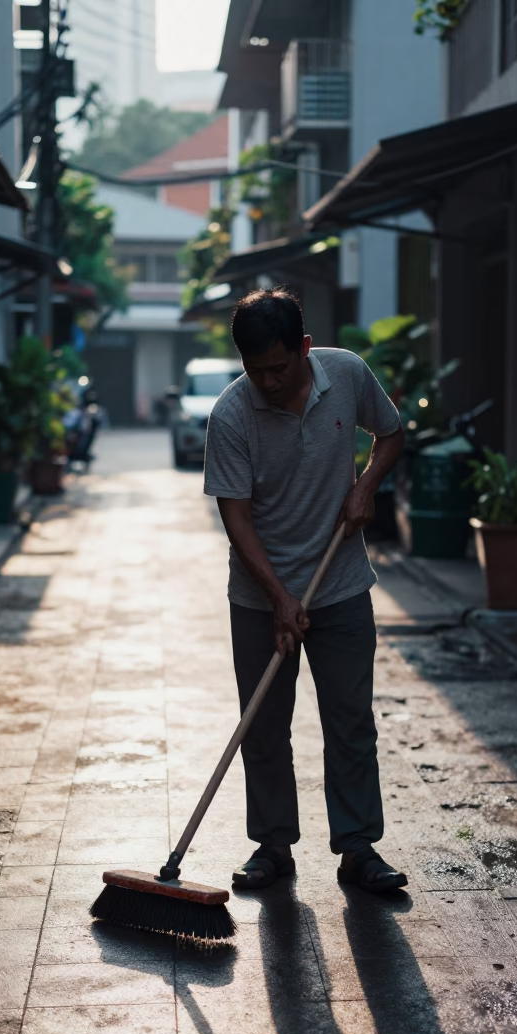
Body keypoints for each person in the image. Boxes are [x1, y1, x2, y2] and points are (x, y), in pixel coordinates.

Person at [203, 288, 407, 894]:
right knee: (263, 725)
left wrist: (366, 483)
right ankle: (271, 846)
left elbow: (391, 434)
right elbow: (236, 518)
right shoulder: (231, 416)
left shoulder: (345, 375)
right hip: (259, 594)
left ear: (305, 349)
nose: (267, 380)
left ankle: (358, 847)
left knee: (349, 719)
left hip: (340, 584)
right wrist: (279, 597)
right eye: (254, 369)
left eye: (279, 366)